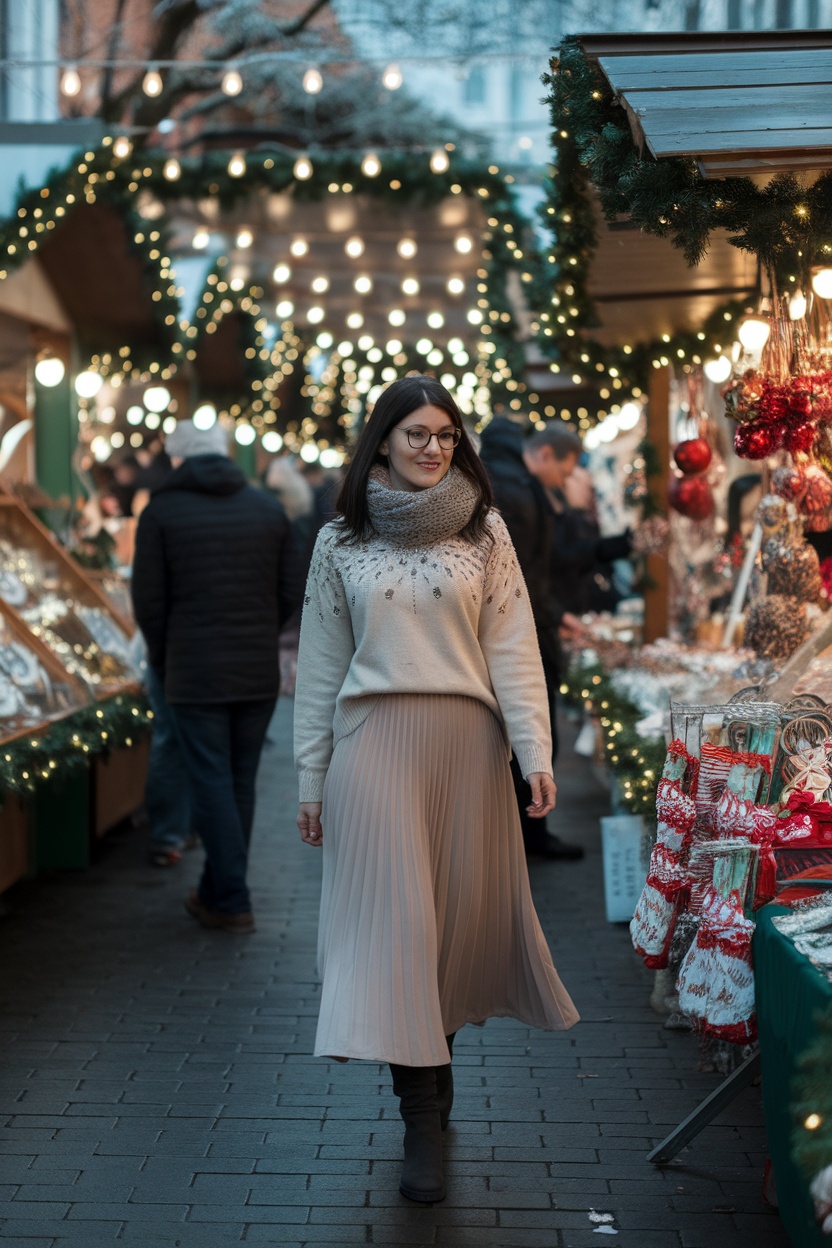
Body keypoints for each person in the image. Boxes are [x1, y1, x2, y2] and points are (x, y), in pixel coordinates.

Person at [294, 376, 579, 1206]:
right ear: (381, 439)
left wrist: (535, 752)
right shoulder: (338, 542)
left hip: (467, 747)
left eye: (446, 435)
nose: (431, 447)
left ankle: (434, 1079)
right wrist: (310, 780)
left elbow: (514, 647)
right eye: (415, 433)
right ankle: (422, 1118)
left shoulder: (486, 533)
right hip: (373, 747)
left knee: (449, 930)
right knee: (400, 931)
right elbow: (318, 671)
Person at [132, 419, 299, 933]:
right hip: (255, 669)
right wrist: (262, 632)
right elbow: (294, 587)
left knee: (209, 779)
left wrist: (162, 655)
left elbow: (149, 599)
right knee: (238, 782)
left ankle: (229, 898)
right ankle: (215, 889)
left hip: (193, 668)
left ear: (178, 460)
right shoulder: (267, 509)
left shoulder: (161, 511)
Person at [479, 418, 630, 860]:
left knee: (527, 737)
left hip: (530, 624)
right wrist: (553, 613)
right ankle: (531, 838)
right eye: (565, 471)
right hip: (525, 632)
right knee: (533, 737)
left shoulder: (512, 486)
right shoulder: (518, 493)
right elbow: (524, 576)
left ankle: (527, 838)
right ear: (544, 455)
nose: (566, 481)